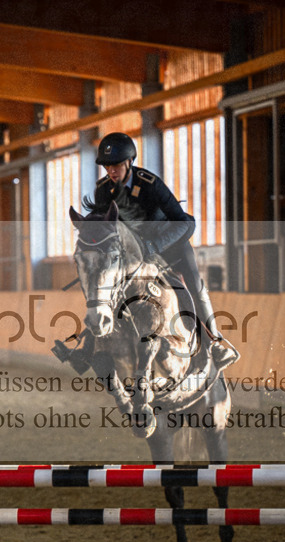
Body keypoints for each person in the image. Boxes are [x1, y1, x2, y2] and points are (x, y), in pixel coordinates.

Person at [83, 132, 239, 371]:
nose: (111, 171)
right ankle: (87, 348)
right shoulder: (103, 190)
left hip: (170, 246)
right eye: (107, 166)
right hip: (134, 256)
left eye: (115, 165)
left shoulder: (149, 184)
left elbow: (186, 223)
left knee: (195, 286)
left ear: (128, 163)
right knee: (104, 286)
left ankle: (216, 343)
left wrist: (155, 246)